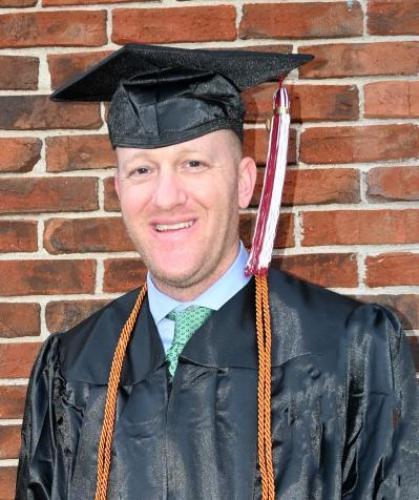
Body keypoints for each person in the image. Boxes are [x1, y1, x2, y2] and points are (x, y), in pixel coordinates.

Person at [15, 44, 418, 500]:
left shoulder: (347, 349)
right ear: (118, 189)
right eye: (142, 169)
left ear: (244, 183)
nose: (166, 197)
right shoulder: (71, 367)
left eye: (193, 163)